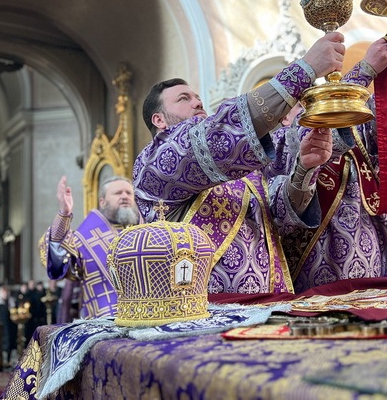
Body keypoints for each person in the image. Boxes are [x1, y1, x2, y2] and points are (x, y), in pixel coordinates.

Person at [134, 33, 343, 293]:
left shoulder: (241, 168)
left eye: (197, 96)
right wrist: (306, 69)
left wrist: (305, 168)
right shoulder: (154, 164)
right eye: (183, 99)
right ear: (159, 120)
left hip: (270, 302)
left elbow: (279, 216)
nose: (198, 102)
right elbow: (214, 137)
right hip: (207, 309)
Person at [270, 8, 387, 293]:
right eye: (301, 100)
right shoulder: (279, 140)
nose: (307, 105)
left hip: (380, 251)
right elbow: (315, 132)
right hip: (326, 265)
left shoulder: (349, 122)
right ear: (281, 115)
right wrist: (365, 70)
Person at [39, 175, 140, 318]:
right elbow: (58, 266)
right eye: (118, 193)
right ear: (102, 202)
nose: (125, 196)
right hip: (103, 321)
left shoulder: (145, 232)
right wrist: (64, 214)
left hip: (146, 319)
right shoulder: (83, 238)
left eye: (129, 193)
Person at [0, 285, 17, 366]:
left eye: (6, 292)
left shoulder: (12, 303)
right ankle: (3, 361)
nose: (5, 294)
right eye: (3, 293)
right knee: (3, 344)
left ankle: (10, 360)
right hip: (1, 328)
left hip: (11, 327)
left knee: (11, 343)